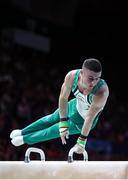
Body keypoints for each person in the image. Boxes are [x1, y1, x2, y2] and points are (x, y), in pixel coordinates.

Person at [10, 58, 109, 154]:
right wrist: (63, 122)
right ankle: (23, 132)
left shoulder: (101, 92)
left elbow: (89, 118)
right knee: (50, 119)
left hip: (82, 121)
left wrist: (81, 141)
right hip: (74, 105)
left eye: (97, 78)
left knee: (51, 131)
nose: (93, 83)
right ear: (82, 73)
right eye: (90, 78)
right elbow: (63, 98)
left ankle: (24, 139)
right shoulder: (72, 76)